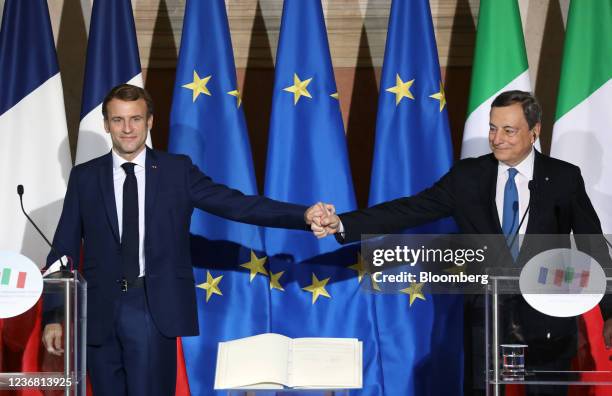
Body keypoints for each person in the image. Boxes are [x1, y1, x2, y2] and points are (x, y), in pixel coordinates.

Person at [309, 90, 611, 395]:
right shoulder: (468, 177)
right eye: (493, 128)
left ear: (534, 132)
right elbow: (409, 209)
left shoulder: (563, 178)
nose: (497, 138)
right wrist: (343, 222)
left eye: (509, 130)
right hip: (487, 320)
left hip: (547, 323)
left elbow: (593, 247)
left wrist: (611, 313)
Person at [42, 84, 326, 396]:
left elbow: (238, 205)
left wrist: (301, 215)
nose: (127, 129)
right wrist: (54, 316)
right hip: (97, 312)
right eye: (118, 120)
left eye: (135, 119)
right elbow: (63, 249)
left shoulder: (176, 171)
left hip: (152, 307)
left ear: (150, 121)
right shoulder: (85, 177)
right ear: (106, 124)